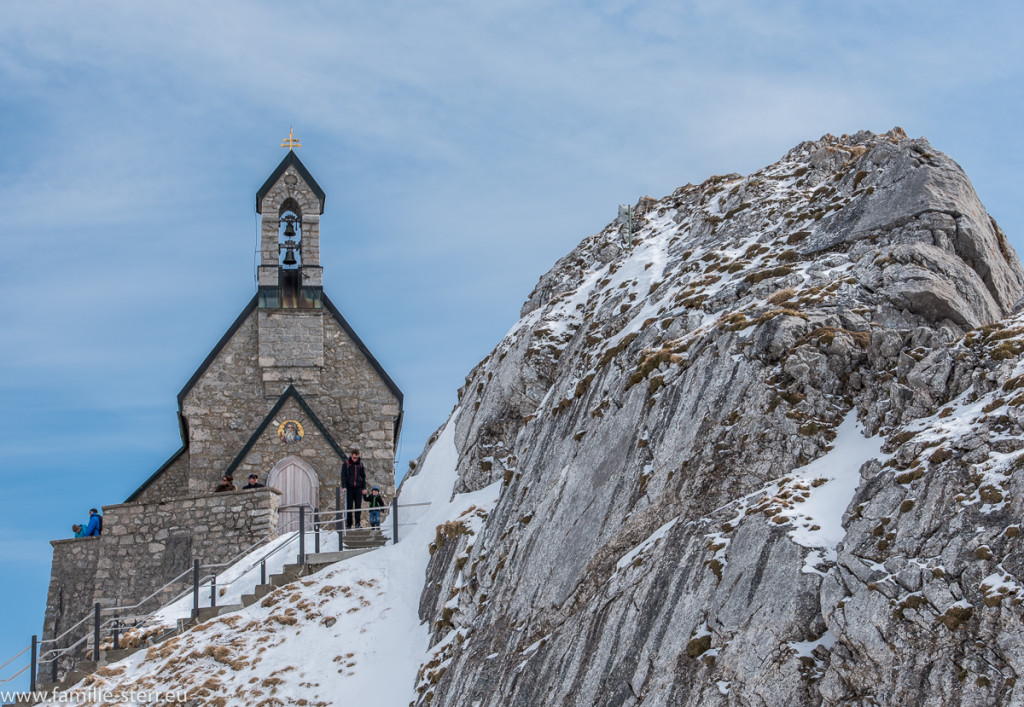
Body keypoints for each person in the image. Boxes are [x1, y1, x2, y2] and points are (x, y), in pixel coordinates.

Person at [341, 449, 366, 529]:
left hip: (358, 488)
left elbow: (363, 477)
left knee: (358, 506)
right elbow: (343, 476)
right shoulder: (346, 464)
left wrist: (364, 488)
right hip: (349, 488)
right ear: (351, 455)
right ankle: (349, 524)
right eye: (354, 458)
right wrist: (344, 486)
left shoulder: (360, 465)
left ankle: (357, 523)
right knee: (349, 507)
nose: (355, 459)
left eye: (357, 458)